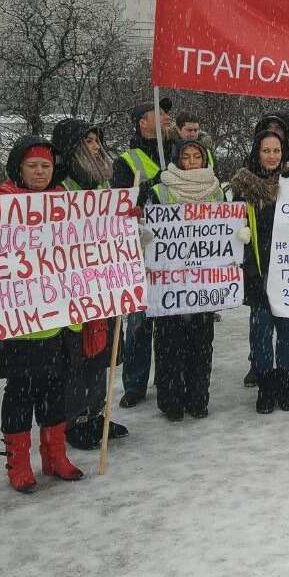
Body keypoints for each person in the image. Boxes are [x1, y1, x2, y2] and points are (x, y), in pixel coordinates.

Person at [0, 137, 88, 494]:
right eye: (33, 165)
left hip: (59, 319)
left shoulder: (66, 202)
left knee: (55, 391)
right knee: (20, 393)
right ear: (18, 167)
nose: (40, 172)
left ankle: (54, 456)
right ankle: (18, 464)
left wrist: (120, 223)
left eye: (46, 166)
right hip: (18, 325)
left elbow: (94, 241)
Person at [51, 118, 126, 449]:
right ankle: (74, 418)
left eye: (97, 141)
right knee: (77, 355)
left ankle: (96, 413)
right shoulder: (60, 187)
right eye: (88, 141)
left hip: (103, 281)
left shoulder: (101, 186)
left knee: (100, 351)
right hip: (71, 285)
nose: (96, 147)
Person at [146, 138, 225, 420]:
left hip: (202, 284)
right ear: (177, 160)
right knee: (169, 346)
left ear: (205, 160)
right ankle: (171, 402)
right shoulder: (160, 190)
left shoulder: (216, 191)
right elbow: (147, 228)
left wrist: (237, 238)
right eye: (186, 157)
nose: (192, 162)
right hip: (169, 284)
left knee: (201, 346)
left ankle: (198, 399)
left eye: (197, 157)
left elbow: (224, 231)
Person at [233, 126, 289, 414]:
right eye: (266, 150)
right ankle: (265, 386)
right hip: (258, 271)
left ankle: (284, 384)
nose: (272, 156)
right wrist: (248, 264)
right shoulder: (243, 185)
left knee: (288, 333)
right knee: (261, 333)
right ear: (256, 153)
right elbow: (233, 229)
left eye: (277, 150)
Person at [115, 99, 178, 410]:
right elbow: (120, 203)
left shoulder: (179, 150)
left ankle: (167, 378)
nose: (168, 117)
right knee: (140, 321)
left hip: (177, 250)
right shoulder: (127, 161)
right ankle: (135, 383)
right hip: (142, 250)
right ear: (142, 121)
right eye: (160, 112)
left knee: (170, 320)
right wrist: (152, 187)